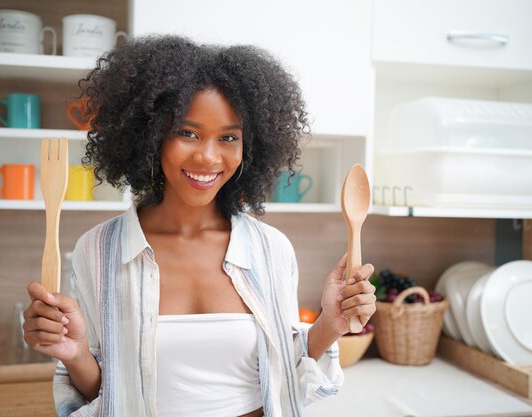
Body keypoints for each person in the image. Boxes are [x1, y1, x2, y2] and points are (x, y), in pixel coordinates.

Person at [23, 35, 376, 417]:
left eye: (228, 138)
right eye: (187, 133)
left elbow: (282, 375)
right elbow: (108, 393)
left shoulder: (271, 249)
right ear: (152, 135)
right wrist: (74, 353)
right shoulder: (100, 250)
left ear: (249, 147)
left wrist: (331, 323)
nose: (208, 156)